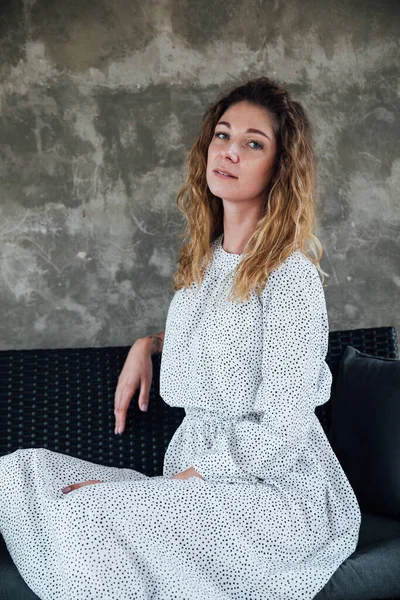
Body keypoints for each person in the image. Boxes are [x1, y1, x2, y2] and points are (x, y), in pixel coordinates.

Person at [0, 76, 362, 599]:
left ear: (279, 167)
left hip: (274, 495)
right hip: (195, 484)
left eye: (253, 143)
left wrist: (176, 484)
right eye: (222, 135)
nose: (230, 151)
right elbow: (228, 334)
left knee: (87, 511)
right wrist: (148, 344)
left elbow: (283, 418)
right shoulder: (205, 266)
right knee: (19, 474)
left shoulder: (291, 275)